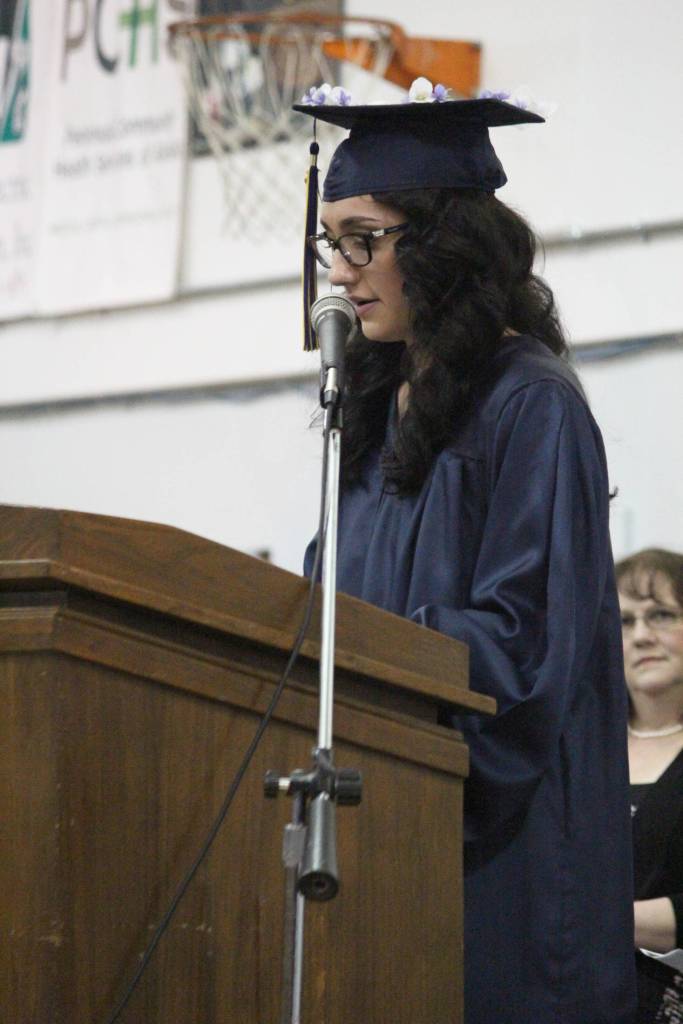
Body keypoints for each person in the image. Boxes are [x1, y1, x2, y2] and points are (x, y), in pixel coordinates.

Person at [296, 82, 636, 1023]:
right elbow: (318, 608)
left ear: (443, 245)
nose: (341, 273)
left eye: (364, 240)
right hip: (378, 831)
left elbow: (522, 647)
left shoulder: (531, 405)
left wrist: (380, 661)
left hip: (503, 860)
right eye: (331, 244)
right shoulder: (367, 415)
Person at [617, 548, 683, 1023]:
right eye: (624, 621)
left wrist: (600, 919)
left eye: (661, 615)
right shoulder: (577, 754)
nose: (641, 635)